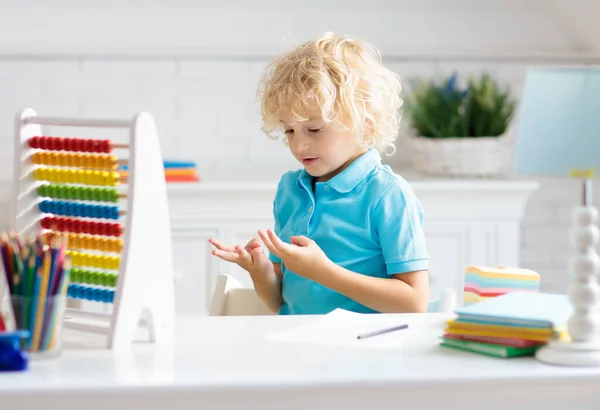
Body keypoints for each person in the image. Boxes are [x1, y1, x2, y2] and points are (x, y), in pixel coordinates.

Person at [209, 32, 429, 315]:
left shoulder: (387, 194)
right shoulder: (290, 191)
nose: (299, 145)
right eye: (289, 130)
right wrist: (261, 271)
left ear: (365, 121)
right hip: (297, 348)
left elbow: (414, 303)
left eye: (314, 129)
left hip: (365, 352)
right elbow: (281, 303)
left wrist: (324, 272)